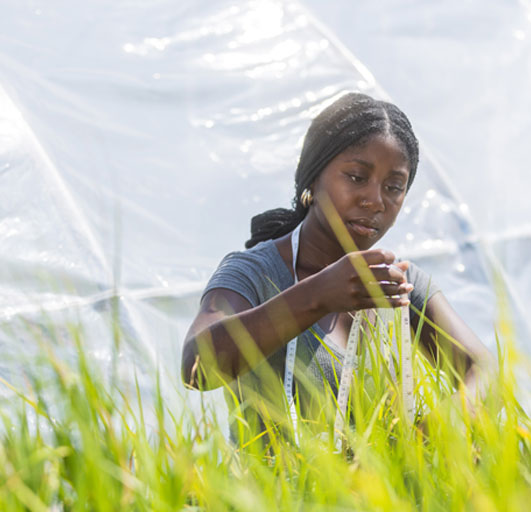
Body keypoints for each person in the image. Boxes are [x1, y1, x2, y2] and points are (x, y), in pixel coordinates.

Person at [181, 92, 492, 438]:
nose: (375, 201)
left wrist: (429, 435)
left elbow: (486, 372)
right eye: (357, 177)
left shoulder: (398, 285)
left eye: (393, 187)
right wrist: (319, 296)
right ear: (313, 177)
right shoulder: (255, 272)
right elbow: (197, 370)